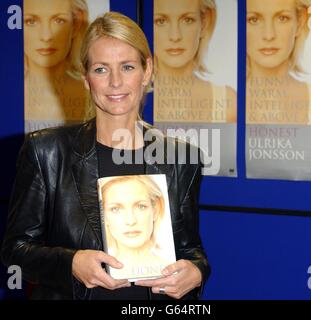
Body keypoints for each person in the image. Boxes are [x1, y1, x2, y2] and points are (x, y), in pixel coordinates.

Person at [1, 11, 210, 300]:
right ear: (86, 78)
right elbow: (15, 250)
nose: (115, 82)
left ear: (146, 71)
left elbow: (190, 249)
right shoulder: (46, 152)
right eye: (101, 69)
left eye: (127, 67)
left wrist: (197, 271)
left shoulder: (181, 158)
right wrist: (71, 263)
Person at [246, 0, 311, 125]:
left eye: (282, 18)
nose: (269, 35)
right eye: (253, 19)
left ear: (300, 22)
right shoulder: (227, 103)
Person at [153, 0, 237, 123]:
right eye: (161, 21)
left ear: (204, 23)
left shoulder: (228, 103)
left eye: (187, 20)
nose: (175, 36)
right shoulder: (129, 101)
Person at [24, 0, 89, 132]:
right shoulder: (7, 92)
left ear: (76, 24)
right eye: (31, 21)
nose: (46, 36)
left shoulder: (95, 91)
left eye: (58, 20)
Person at [100, 175, 174, 281]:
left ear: (155, 210)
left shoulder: (172, 270)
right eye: (115, 209)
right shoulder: (98, 271)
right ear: (104, 216)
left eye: (141, 206)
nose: (131, 221)